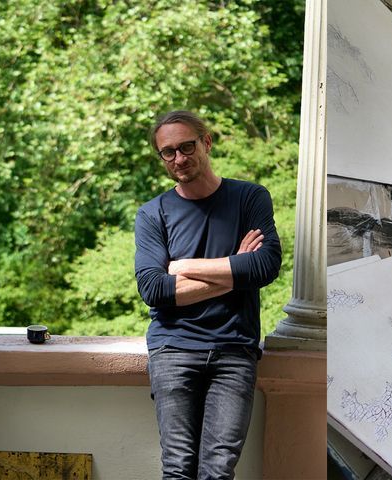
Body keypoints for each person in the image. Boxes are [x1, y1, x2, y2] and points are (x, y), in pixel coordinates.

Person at [132, 110, 283, 480]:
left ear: (207, 142)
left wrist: (183, 266)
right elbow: (154, 289)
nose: (179, 158)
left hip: (234, 348)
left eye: (187, 147)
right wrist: (236, 269)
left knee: (217, 470)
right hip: (173, 348)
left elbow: (265, 267)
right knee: (178, 468)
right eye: (168, 152)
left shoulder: (249, 198)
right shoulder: (152, 214)